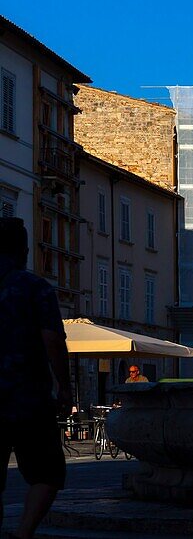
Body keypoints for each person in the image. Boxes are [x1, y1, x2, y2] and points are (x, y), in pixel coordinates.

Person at [0, 218, 71, 539]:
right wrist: (66, 389)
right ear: (24, 251)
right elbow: (53, 341)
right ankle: (23, 533)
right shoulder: (35, 288)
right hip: (28, 399)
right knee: (48, 474)